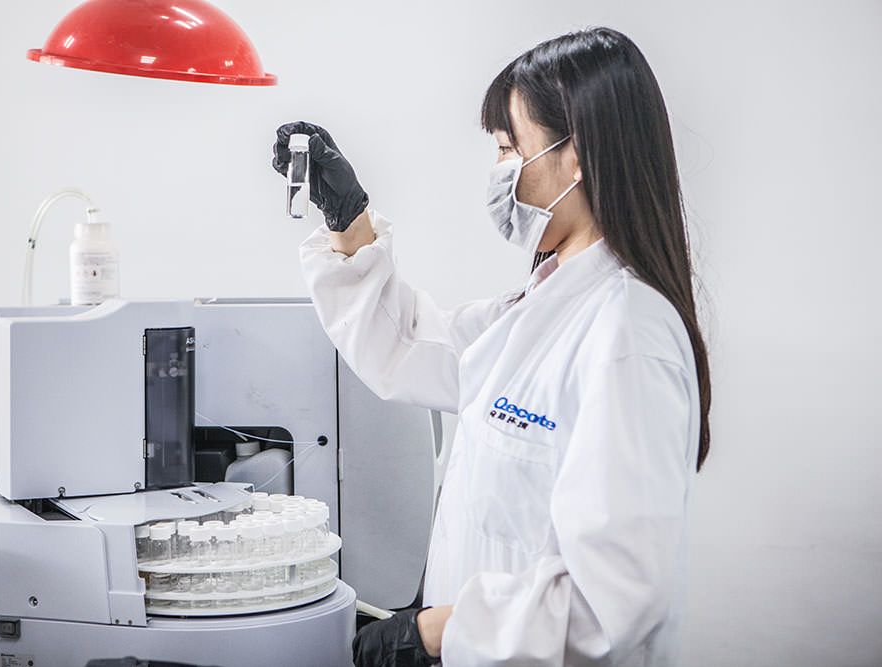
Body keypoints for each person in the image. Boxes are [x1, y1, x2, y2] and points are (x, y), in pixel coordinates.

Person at [271, 26, 711, 667]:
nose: (500, 172)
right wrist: (348, 218)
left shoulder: (627, 339)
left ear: (579, 156)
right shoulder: (543, 306)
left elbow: (611, 603)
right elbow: (409, 347)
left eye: (509, 148)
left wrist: (429, 634)